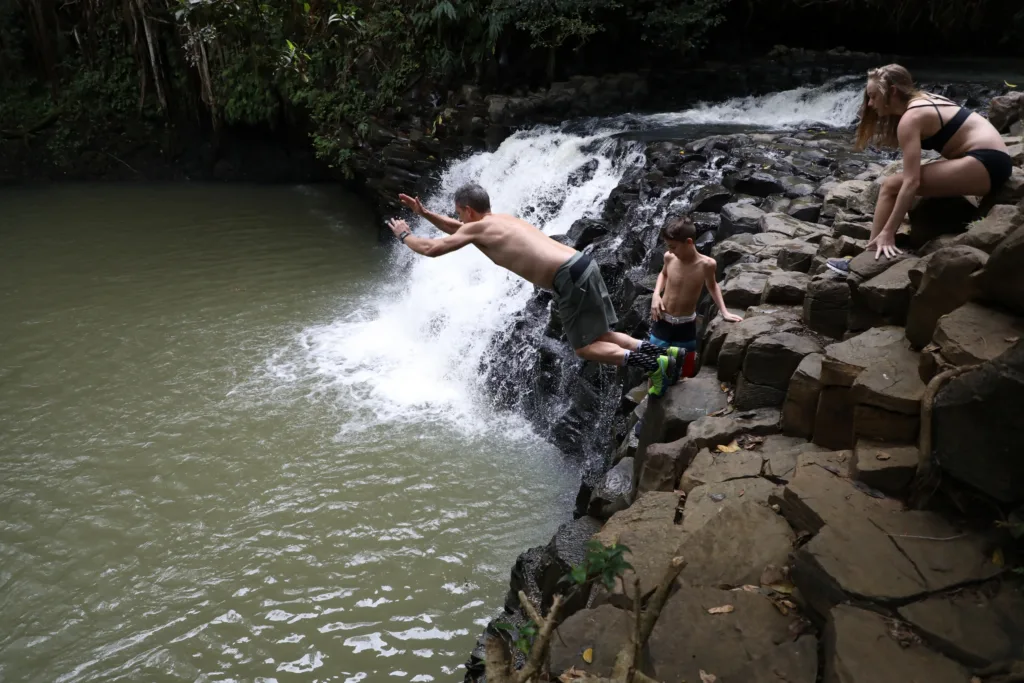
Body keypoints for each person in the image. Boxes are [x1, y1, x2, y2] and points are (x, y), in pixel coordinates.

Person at [388, 184, 683, 397]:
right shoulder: (499, 220)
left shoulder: (477, 228)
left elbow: (431, 248)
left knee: (584, 348)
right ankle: (667, 353)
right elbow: (459, 230)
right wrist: (425, 213)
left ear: (468, 209)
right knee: (603, 336)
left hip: (569, 279)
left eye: (460, 213)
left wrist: (404, 233)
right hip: (582, 265)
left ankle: (653, 364)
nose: (460, 219)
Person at [827, 63, 1012, 275]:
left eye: (874, 96)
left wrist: (890, 231)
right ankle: (874, 246)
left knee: (891, 185)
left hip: (987, 162)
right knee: (897, 182)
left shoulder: (911, 117)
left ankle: (870, 252)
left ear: (893, 91)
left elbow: (911, 182)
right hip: (993, 158)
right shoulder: (921, 100)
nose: (869, 104)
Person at [650, 215, 743, 375]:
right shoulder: (669, 258)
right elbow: (663, 274)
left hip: (686, 324)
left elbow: (713, 286)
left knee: (686, 367)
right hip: (662, 319)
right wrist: (656, 295)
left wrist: (724, 311)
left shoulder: (706, 264)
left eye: (673, 247)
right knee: (655, 363)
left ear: (689, 242)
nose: (670, 251)